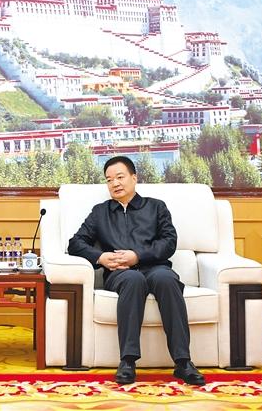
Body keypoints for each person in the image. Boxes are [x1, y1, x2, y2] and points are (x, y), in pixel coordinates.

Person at [67, 155, 205, 386]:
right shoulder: (100, 212)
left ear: (134, 178)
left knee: (167, 280)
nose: (115, 183)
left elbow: (169, 242)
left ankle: (183, 362)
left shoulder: (156, 207)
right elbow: (75, 243)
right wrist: (101, 257)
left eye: (120, 177)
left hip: (155, 267)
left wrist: (138, 255)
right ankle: (128, 361)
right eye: (109, 180)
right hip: (120, 273)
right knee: (133, 280)